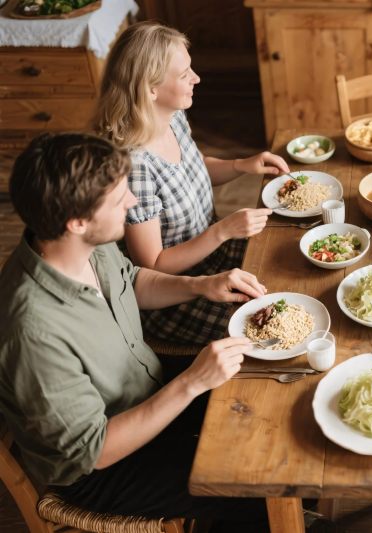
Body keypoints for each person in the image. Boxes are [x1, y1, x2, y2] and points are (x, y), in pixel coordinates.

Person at [0, 132, 269, 528]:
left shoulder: (84, 244)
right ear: (76, 221)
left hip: (144, 387)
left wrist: (199, 285)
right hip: (101, 469)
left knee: (258, 398)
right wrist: (192, 382)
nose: (132, 201)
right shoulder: (33, 332)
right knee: (243, 485)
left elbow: (131, 281)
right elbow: (96, 450)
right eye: (118, 198)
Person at [93, 21, 290, 345]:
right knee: (266, 326)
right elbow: (154, 265)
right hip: (174, 292)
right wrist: (223, 230)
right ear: (150, 88)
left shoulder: (171, 116)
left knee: (281, 258)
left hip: (213, 253)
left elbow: (191, 171)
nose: (196, 78)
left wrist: (241, 165)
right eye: (184, 74)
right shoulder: (135, 166)